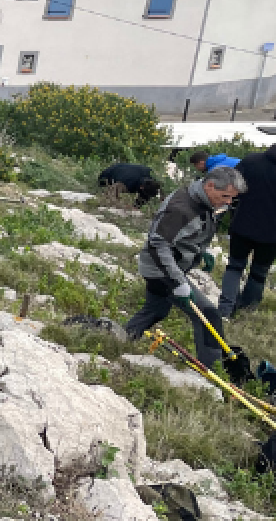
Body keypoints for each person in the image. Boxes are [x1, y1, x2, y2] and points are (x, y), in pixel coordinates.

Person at [125, 166, 248, 369]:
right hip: (161, 270)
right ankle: (214, 368)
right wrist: (178, 282)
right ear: (209, 186)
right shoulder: (182, 208)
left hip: (166, 267)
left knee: (155, 311)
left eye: (232, 198)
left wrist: (200, 251)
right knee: (208, 313)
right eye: (225, 196)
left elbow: (185, 234)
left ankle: (121, 336)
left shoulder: (200, 198)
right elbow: (158, 244)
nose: (228, 202)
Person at [221, 145, 276, 319]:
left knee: (234, 267)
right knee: (259, 273)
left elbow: (232, 188)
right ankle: (246, 313)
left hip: (243, 224)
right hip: (271, 235)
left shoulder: (251, 160)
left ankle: (225, 309)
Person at [97, 162, 162, 207]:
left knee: (144, 196)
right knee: (112, 195)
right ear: (141, 187)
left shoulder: (152, 176)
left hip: (129, 171)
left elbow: (146, 196)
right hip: (107, 175)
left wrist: (136, 206)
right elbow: (112, 193)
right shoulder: (125, 182)